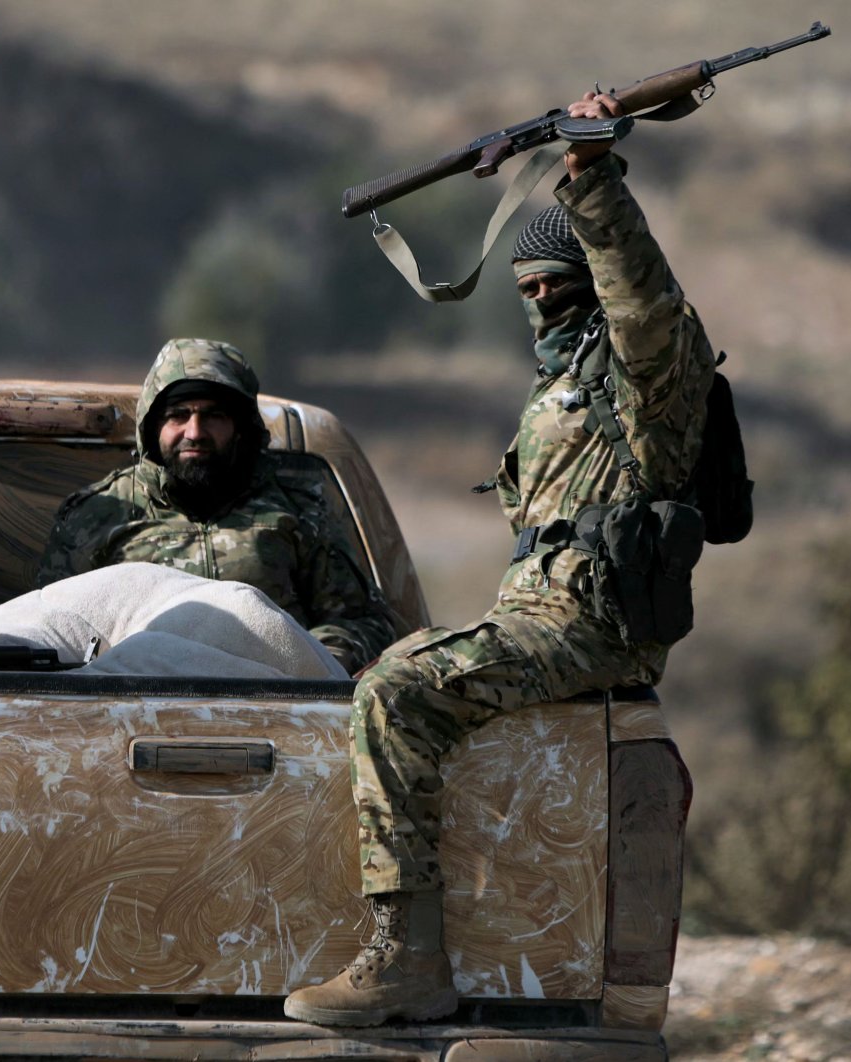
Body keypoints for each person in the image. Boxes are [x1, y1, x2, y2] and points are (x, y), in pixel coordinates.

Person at [283, 90, 718, 1025]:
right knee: (382, 670)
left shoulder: (653, 375)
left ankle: (407, 961)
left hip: (594, 625)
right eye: (527, 293)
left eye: (557, 285)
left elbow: (640, 293)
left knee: (397, 693)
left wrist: (591, 174)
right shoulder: (560, 390)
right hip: (538, 617)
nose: (541, 303)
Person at [37, 337, 399, 674]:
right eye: (178, 415)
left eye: (213, 416)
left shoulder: (299, 509)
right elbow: (50, 631)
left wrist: (306, 667)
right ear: (152, 427)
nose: (194, 432)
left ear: (241, 427)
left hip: (275, 714)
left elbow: (363, 622)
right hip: (133, 711)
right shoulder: (99, 514)